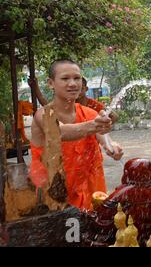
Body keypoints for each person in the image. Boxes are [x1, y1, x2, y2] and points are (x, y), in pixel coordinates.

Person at [30, 60, 123, 211]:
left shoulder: (90, 114)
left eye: (77, 78)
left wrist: (113, 148)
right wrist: (94, 125)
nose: (73, 84)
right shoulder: (43, 115)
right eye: (65, 79)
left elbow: (105, 139)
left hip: (90, 196)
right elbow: (59, 132)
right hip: (54, 198)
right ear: (50, 83)